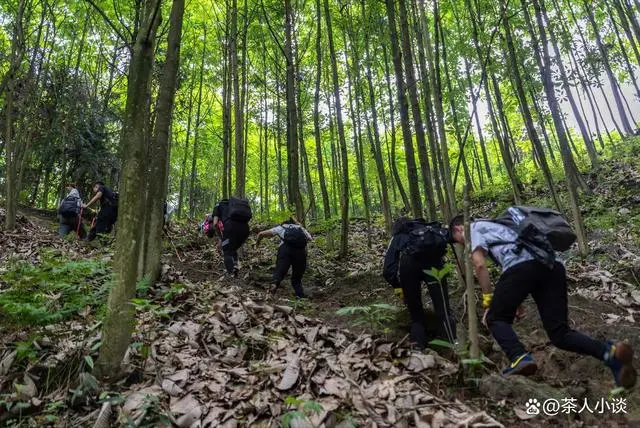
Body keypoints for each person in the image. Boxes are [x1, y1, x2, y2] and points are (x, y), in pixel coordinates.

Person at [449, 213, 636, 388]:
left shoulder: (472, 228)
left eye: (459, 242)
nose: (462, 244)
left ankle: (518, 357)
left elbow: (480, 265)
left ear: (459, 229)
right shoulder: (502, 226)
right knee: (560, 334)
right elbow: (517, 267)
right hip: (552, 265)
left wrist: (488, 300)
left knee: (495, 318)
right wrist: (516, 301)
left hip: (522, 268)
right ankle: (610, 353)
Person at [383, 217, 456, 349]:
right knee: (443, 311)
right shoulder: (431, 231)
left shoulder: (399, 235)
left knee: (416, 315)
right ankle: (452, 347)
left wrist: (398, 286)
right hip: (435, 264)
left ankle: (418, 348)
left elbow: (388, 268)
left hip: (409, 266)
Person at [255, 217, 312, 298]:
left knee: (279, 272)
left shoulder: (281, 227)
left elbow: (261, 234)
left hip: (285, 251)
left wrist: (257, 244)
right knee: (297, 278)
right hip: (301, 252)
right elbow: (310, 238)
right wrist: (300, 227)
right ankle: (300, 296)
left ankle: (272, 289)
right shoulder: (300, 228)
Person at [213, 197, 252, 276]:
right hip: (245, 229)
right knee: (232, 248)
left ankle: (230, 275)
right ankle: (235, 267)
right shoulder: (235, 205)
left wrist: (221, 237)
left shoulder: (218, 205)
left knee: (226, 250)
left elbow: (215, 223)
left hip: (230, 227)